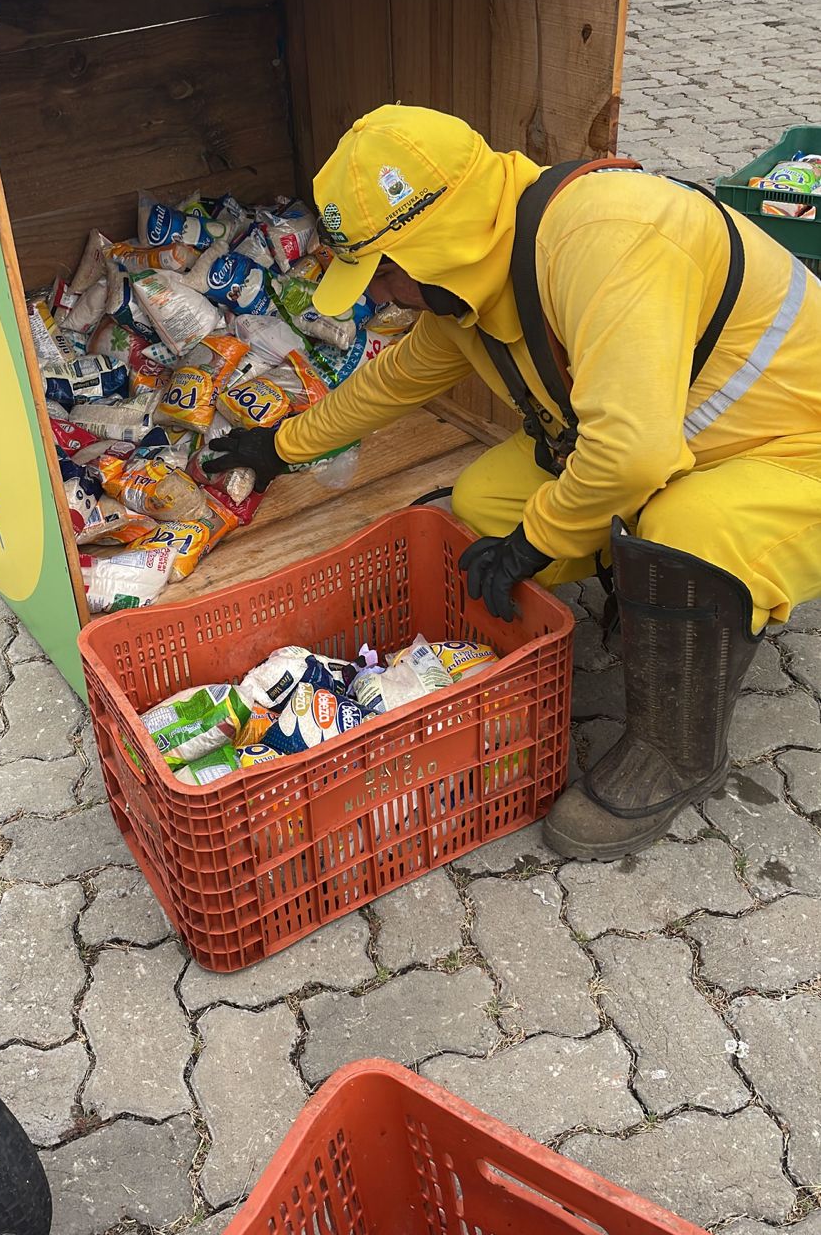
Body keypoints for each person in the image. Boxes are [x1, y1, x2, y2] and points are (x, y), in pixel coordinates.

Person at [205, 104, 821, 861]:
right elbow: (393, 381)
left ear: (436, 249)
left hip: (794, 453)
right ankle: (648, 595)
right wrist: (281, 444)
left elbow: (629, 455)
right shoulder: (486, 277)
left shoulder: (607, 239)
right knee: (484, 504)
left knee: (684, 535)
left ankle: (676, 751)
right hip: (680, 445)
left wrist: (537, 543)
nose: (380, 297)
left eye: (386, 275)